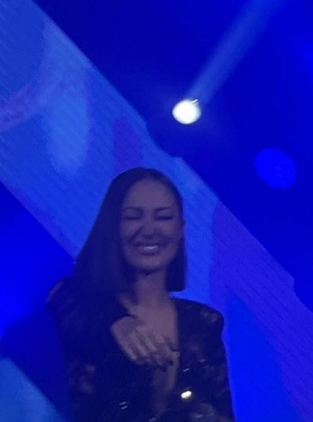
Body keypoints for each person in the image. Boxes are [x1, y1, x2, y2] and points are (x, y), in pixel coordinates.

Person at [46, 167, 234, 422]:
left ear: (180, 229)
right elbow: (64, 297)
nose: (149, 230)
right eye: (133, 217)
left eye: (163, 217)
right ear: (113, 227)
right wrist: (118, 321)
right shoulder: (80, 306)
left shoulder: (204, 323)